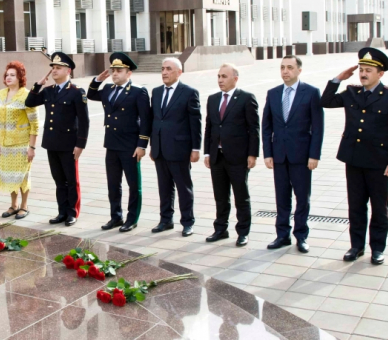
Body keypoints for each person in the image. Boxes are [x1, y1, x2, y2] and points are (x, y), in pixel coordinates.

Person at [321, 48, 388, 265]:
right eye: (361, 69)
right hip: (354, 159)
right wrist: (337, 79)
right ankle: (356, 246)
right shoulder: (351, 92)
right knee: (356, 206)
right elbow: (326, 101)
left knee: (379, 208)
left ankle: (377, 248)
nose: (363, 74)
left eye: (368, 70)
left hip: (379, 162)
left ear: (380, 74)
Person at [263, 56, 324, 254]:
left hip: (302, 156)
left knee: (302, 199)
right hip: (279, 155)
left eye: (290, 67)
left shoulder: (311, 93)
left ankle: (301, 236)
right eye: (282, 68)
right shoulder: (273, 93)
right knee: (282, 198)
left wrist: (314, 155)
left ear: (299, 70)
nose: (285, 71)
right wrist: (267, 153)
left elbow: (318, 127)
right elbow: (266, 126)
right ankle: (282, 235)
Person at [87, 53, 151, 232]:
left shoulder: (138, 91)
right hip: (112, 144)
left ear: (128, 73)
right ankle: (116, 216)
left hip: (130, 145)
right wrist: (97, 80)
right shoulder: (108, 89)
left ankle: (132, 218)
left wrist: (142, 145)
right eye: (113, 70)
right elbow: (91, 94)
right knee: (113, 183)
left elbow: (146, 120)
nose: (115, 74)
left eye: (119, 71)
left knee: (133, 184)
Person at [25, 52, 90, 226]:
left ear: (68, 70)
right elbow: (29, 102)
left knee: (71, 180)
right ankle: (61, 212)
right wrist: (38, 85)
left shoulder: (76, 92)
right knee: (59, 180)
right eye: (53, 68)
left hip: (69, 144)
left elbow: (84, 121)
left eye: (58, 68)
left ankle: (72, 212)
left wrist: (80, 144)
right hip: (52, 142)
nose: (54, 71)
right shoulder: (48, 91)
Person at [204, 63, 260, 247]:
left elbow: (254, 129)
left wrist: (253, 154)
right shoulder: (213, 99)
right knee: (220, 196)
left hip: (238, 157)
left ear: (235, 79)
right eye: (219, 76)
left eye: (224, 76)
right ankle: (221, 229)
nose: (220, 80)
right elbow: (209, 128)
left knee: (240, 196)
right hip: (217, 157)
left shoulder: (245, 98)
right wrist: (207, 152)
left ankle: (243, 232)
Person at [149, 57, 201, 236]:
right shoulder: (156, 92)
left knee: (183, 187)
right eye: (163, 69)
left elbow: (195, 122)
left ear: (179, 72)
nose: (164, 72)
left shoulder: (189, 92)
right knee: (164, 187)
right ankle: (165, 220)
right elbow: (154, 120)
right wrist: (151, 144)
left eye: (169, 69)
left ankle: (187, 221)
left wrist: (196, 148)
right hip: (160, 148)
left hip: (180, 149)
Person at [0, 61, 39, 219]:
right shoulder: (0, 93)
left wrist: (32, 148)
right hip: (5, 144)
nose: (8, 77)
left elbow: (35, 124)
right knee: (10, 175)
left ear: (20, 77)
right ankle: (13, 205)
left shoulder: (26, 95)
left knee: (22, 176)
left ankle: (24, 206)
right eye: (7, 75)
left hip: (21, 143)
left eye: (13, 75)